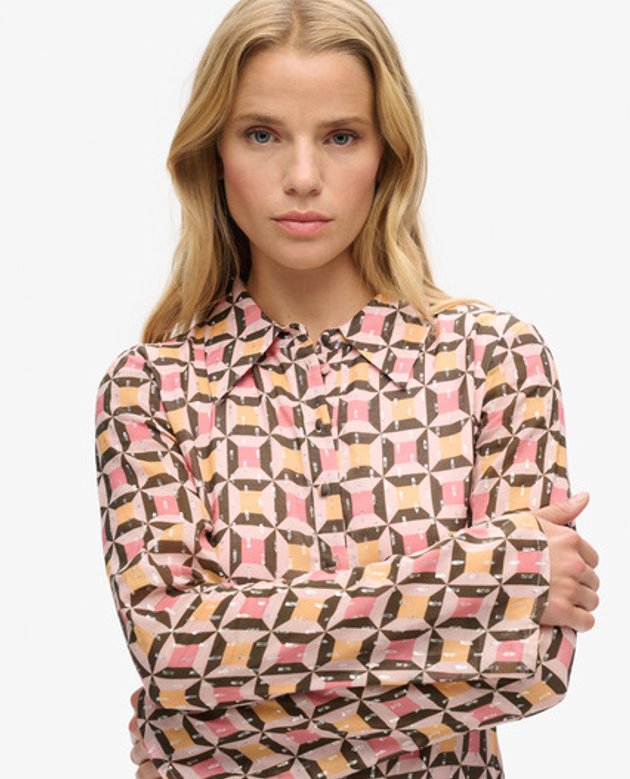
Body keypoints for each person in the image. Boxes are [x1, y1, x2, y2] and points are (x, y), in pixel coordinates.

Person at [94, 0, 601, 777]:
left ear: (387, 153)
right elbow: (172, 648)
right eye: (262, 134)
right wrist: (480, 576)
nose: (303, 178)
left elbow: (528, 666)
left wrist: (194, 738)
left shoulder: (494, 362)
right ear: (214, 152)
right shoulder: (149, 392)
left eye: (340, 136)